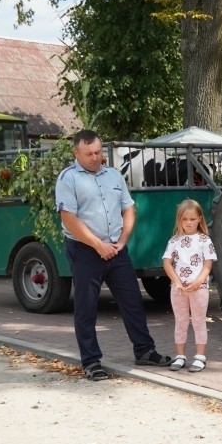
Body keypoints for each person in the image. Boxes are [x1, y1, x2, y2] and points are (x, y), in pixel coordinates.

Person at [55, 129, 173, 380]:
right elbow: (68, 218)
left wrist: (122, 240)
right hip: (85, 250)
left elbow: (128, 208)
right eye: (89, 154)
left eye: (98, 152)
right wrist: (97, 245)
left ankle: (144, 350)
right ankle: (91, 361)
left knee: (132, 301)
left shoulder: (113, 175)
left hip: (116, 250)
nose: (95, 158)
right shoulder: (68, 179)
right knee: (86, 308)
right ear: (76, 153)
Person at [163, 199, 217, 370]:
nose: (188, 223)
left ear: (200, 218)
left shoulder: (204, 240)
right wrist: (177, 282)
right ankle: (180, 355)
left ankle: (200, 356)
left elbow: (208, 263)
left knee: (199, 321)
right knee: (181, 321)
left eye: (192, 219)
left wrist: (198, 281)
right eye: (185, 219)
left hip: (198, 288)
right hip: (178, 289)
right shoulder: (174, 241)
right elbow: (167, 262)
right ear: (179, 220)